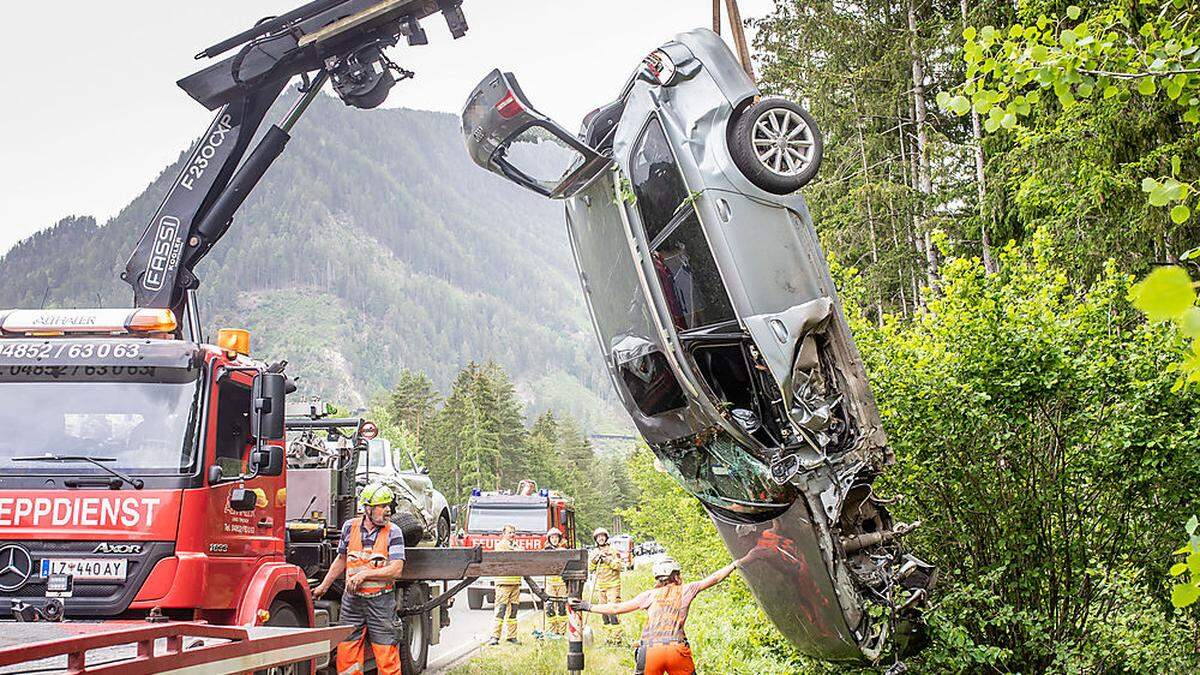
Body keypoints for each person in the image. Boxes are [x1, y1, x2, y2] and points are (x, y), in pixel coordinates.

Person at [570, 557, 739, 675]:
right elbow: (715, 578)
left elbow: (616, 608)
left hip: (650, 651)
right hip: (676, 649)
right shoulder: (687, 589)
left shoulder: (649, 595)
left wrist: (588, 606)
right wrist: (735, 564)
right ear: (676, 575)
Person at [312, 482, 406, 675]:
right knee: (347, 652)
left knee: (386, 653)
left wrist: (364, 575)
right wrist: (323, 586)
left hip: (380, 601)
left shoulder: (394, 532)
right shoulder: (350, 527)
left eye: (389, 505)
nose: (387, 510)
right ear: (368, 509)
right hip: (352, 601)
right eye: (382, 506)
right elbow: (341, 559)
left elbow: (396, 569)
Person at [589, 527, 624, 644]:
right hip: (600, 586)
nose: (601, 539)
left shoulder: (613, 551)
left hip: (613, 585)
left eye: (602, 536)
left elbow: (619, 567)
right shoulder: (594, 553)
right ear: (596, 539)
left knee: (613, 611)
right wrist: (594, 560)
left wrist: (607, 560)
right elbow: (590, 569)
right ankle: (608, 638)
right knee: (604, 613)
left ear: (606, 537)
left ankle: (617, 638)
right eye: (598, 537)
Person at [488, 523, 522, 645]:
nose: (512, 535)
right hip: (503, 582)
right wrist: (517, 551)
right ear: (504, 534)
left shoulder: (517, 546)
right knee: (500, 610)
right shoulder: (501, 546)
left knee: (513, 611)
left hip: (515, 583)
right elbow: (512, 557)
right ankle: (495, 637)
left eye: (513, 532)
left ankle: (512, 636)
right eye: (509, 533)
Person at [538, 526, 568, 639]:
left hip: (561, 583)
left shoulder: (564, 551)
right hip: (550, 583)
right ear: (549, 539)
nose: (554, 539)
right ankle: (552, 632)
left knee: (561, 607)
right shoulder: (545, 551)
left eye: (556, 537)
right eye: (552, 537)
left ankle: (562, 632)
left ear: (559, 539)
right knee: (549, 607)